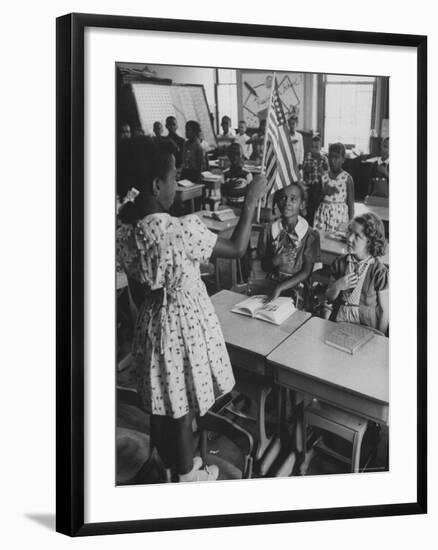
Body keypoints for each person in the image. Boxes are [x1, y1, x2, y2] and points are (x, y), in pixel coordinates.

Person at [116, 138, 268, 482]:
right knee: (181, 405)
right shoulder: (181, 230)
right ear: (157, 184)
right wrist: (251, 202)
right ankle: (186, 477)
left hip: (152, 321)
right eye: (173, 176)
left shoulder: (125, 231)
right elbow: (238, 246)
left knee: (162, 400)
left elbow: (139, 288)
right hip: (183, 326)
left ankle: (168, 462)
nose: (176, 182)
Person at [258, 183, 321, 306]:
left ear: (302, 204)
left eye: (293, 199)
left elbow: (306, 272)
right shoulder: (269, 230)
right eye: (283, 198)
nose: (287, 202)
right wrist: (274, 261)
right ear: (277, 201)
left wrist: (281, 287)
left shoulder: (310, 235)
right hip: (271, 286)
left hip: (298, 290)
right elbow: (263, 266)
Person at [325, 212, 389, 333]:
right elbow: (329, 297)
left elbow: (384, 311)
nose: (349, 238)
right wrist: (337, 286)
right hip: (339, 323)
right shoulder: (339, 263)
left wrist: (379, 337)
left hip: (366, 327)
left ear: (370, 241)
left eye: (357, 236)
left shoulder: (379, 272)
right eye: (349, 232)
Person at [313, 142, 354, 232]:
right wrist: (323, 193)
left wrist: (350, 223)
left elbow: (351, 204)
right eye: (330, 157)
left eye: (336, 157)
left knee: (336, 241)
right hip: (322, 215)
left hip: (339, 217)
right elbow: (315, 200)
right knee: (321, 240)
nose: (332, 160)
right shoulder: (323, 177)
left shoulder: (347, 178)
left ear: (343, 159)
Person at [302, 135, 329, 225]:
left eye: (316, 147)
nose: (314, 149)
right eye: (312, 147)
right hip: (310, 186)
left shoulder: (324, 158)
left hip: (319, 186)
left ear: (320, 147)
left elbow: (327, 173)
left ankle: (316, 221)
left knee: (318, 205)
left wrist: (323, 172)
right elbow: (304, 172)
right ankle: (308, 222)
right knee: (309, 206)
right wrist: (307, 169)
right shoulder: (308, 157)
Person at [222, 142, 253, 208]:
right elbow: (224, 195)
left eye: (237, 154)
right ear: (229, 157)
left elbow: (250, 196)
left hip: (242, 206)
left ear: (241, 156)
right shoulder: (225, 173)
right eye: (231, 155)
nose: (234, 158)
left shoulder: (247, 174)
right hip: (229, 206)